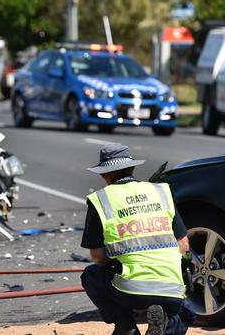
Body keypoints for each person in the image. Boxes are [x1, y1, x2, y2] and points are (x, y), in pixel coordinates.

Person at [80, 143, 194, 335]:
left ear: (103, 174)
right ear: (133, 168)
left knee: (91, 276)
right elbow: (183, 246)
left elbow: (98, 257)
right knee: (182, 314)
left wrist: (119, 261)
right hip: (171, 288)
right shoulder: (161, 192)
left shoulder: (101, 200)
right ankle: (166, 325)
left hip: (129, 291)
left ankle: (125, 325)